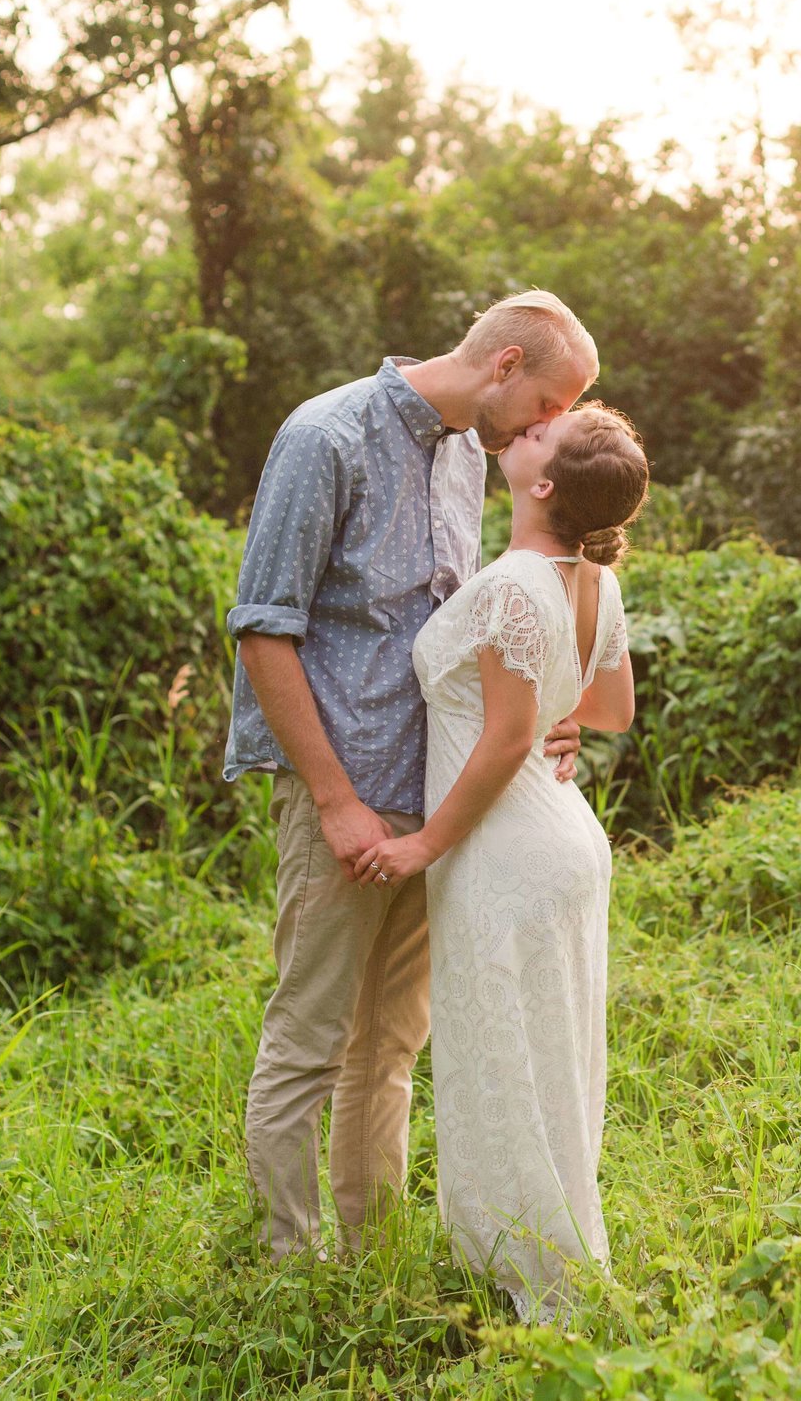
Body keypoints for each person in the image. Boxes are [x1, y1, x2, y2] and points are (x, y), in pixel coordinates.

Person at [224, 290, 597, 1261]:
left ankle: (367, 1251)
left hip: (435, 800)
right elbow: (264, 627)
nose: (549, 432)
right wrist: (336, 801)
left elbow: (472, 630)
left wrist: (553, 713)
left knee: (387, 1045)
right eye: (549, 406)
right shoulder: (326, 435)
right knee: (309, 1036)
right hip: (341, 795)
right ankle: (284, 1258)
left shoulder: (468, 453)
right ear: (506, 365)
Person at [353, 403, 649, 1321]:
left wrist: (422, 843)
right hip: (562, 836)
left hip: (506, 850)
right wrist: (556, 715)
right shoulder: (587, 579)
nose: (523, 430)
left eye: (538, 437)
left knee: (506, 1058)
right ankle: (535, 1247)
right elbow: (612, 710)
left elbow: (504, 735)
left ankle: (541, 1272)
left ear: (544, 482)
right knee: (542, 1053)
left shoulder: (517, 583)